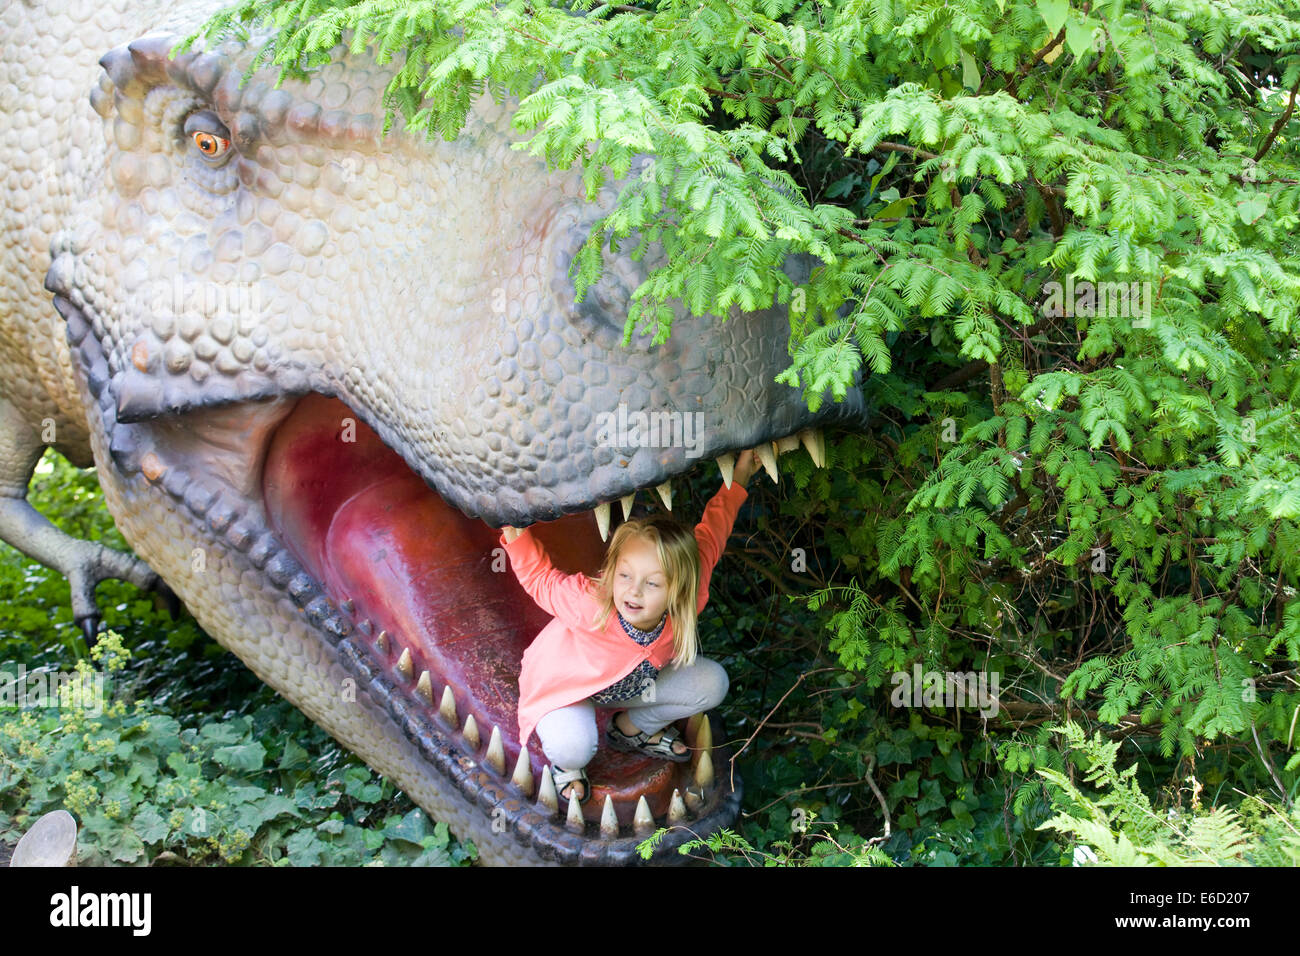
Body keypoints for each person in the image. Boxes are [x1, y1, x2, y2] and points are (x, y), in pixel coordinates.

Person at [499, 449, 761, 803]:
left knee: (713, 682)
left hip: (632, 686)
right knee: (574, 748)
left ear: (678, 589)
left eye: (652, 583)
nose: (633, 591)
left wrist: (740, 476)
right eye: (625, 575)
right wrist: (511, 527)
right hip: (568, 689)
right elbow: (540, 579)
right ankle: (568, 766)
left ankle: (629, 730)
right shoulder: (591, 604)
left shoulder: (690, 594)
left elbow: (714, 531)